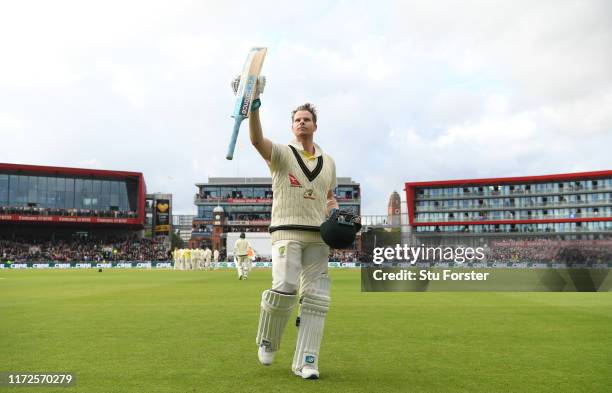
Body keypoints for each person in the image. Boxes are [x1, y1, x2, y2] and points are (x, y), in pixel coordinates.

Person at [249, 97, 338, 380]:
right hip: (287, 231)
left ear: (315, 125)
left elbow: (329, 198)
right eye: (298, 119)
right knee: (285, 285)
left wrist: (336, 216)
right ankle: (268, 340)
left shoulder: (329, 162)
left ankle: (306, 361)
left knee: (316, 298)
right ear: (292, 126)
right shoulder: (282, 153)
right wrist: (254, 108)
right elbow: (256, 140)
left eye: (307, 119)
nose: (302, 122)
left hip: (318, 235)